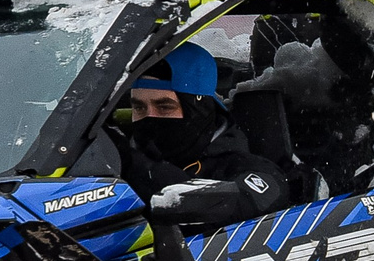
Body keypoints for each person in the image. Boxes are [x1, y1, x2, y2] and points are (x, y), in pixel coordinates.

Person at [112, 45, 286, 227]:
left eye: (164, 107)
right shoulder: (110, 159)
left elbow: (237, 205)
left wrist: (132, 165)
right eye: (139, 108)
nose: (149, 118)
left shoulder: (249, 167)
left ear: (197, 110)